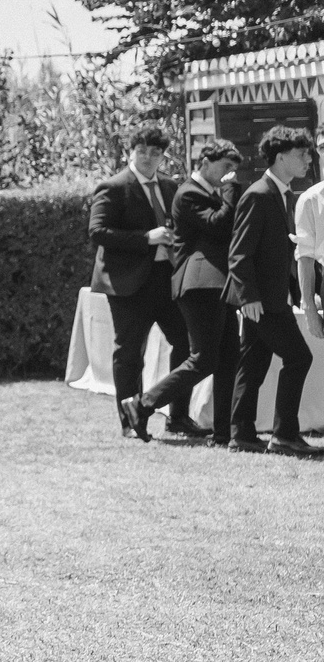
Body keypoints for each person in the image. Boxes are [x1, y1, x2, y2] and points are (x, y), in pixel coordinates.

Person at [137, 139, 240, 439]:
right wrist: (231, 191)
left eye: (233, 169)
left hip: (218, 285)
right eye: (225, 167)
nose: (229, 174)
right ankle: (142, 405)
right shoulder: (190, 193)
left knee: (229, 358)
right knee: (203, 359)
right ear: (205, 163)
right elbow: (219, 225)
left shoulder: (209, 193)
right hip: (198, 286)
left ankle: (224, 432)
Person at [94, 127, 191, 441]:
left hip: (167, 278)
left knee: (188, 344)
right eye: (142, 151)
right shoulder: (114, 187)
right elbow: (98, 232)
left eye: (155, 153)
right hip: (128, 284)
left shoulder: (171, 186)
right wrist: (146, 238)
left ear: (163, 156)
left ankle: (178, 417)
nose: (148, 158)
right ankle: (130, 422)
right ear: (130, 152)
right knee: (130, 354)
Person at [227, 126, 314, 455]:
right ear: (280, 157)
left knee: (253, 365)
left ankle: (241, 434)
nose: (308, 159)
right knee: (299, 357)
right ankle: (283, 435)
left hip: (271, 299)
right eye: (301, 153)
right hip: (262, 301)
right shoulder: (259, 194)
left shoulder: (283, 194)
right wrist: (248, 296)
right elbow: (239, 253)